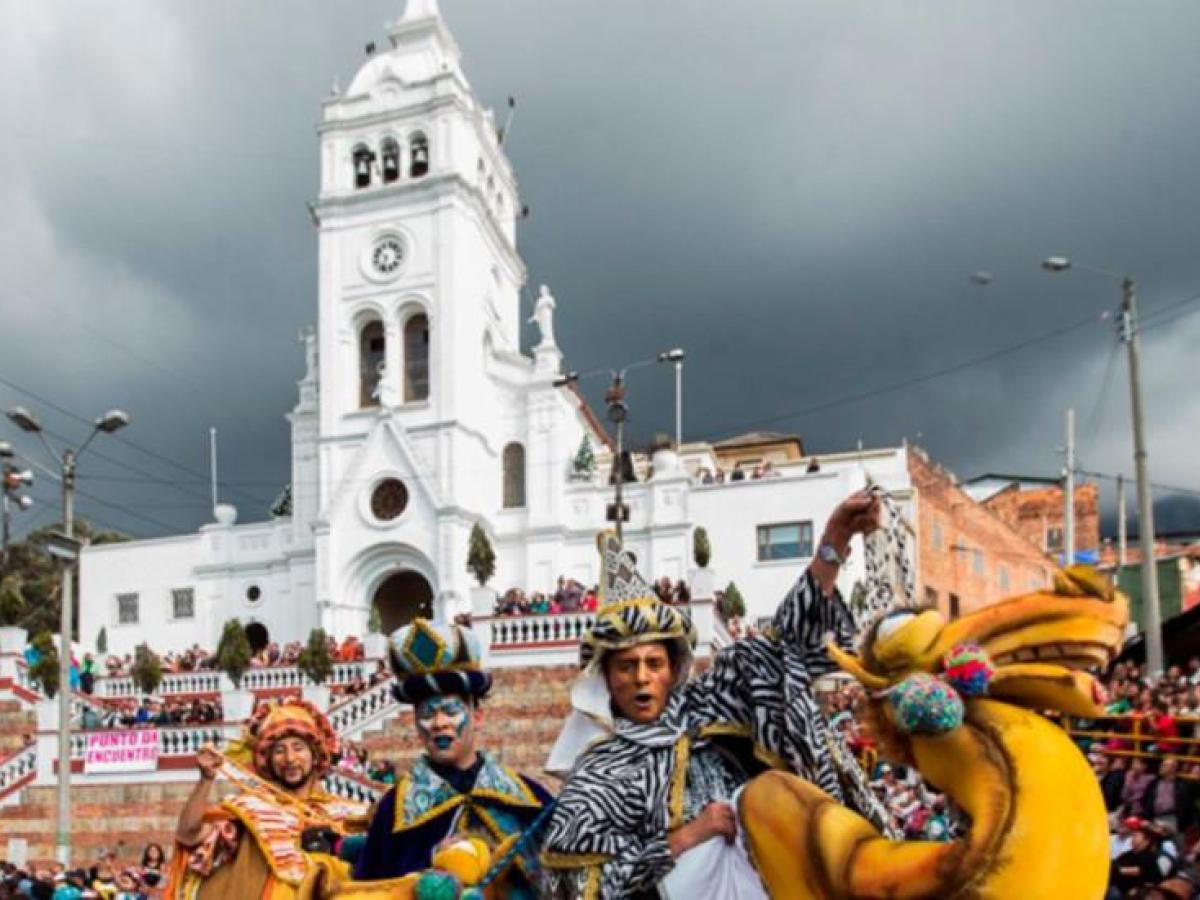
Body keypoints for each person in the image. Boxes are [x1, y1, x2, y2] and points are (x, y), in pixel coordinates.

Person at [541, 493, 890, 898]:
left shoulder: (709, 708)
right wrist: (685, 838)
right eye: (626, 666)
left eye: (654, 663)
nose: (641, 678)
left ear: (674, 670)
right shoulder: (596, 775)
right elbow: (582, 888)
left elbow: (782, 642)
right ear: (605, 677)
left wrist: (835, 541)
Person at [352, 619, 554, 895]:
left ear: (477, 716)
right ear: (415, 723)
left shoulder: (530, 800)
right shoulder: (393, 812)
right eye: (427, 713)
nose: (439, 723)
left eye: (450, 710)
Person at [163, 698, 367, 898]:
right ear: (268, 761)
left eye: (298, 748)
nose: (289, 758)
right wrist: (206, 780)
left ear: (315, 757)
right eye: (279, 750)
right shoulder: (251, 809)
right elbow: (188, 834)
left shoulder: (347, 813)